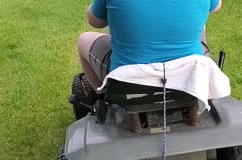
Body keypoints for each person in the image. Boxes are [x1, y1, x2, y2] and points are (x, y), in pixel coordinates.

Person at [77, 0, 222, 92]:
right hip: (189, 72)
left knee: (84, 40)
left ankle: (102, 97)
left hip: (127, 78)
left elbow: (94, 21)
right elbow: (216, 7)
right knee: (200, 24)